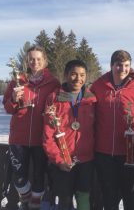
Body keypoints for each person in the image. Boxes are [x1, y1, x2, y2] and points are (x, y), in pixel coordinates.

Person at [90, 50, 134, 210]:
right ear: (111, 66)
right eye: (118, 65)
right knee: (109, 195)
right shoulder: (98, 86)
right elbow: (87, 109)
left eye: (126, 65)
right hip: (103, 152)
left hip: (128, 152)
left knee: (130, 194)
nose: (122, 69)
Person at [3, 45, 60, 210]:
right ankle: (26, 200)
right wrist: (13, 98)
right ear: (27, 61)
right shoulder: (17, 80)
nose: (35, 62)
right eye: (31, 59)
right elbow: (8, 108)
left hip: (41, 138)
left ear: (44, 61)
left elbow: (59, 107)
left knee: (38, 176)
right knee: (19, 177)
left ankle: (34, 206)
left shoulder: (53, 82)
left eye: (38, 59)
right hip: (18, 138)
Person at [43, 60, 96, 210]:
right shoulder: (54, 98)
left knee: (84, 198)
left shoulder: (92, 99)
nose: (78, 78)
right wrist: (59, 160)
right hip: (63, 162)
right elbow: (48, 135)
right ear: (66, 75)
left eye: (82, 75)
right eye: (73, 74)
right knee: (65, 201)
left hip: (86, 160)